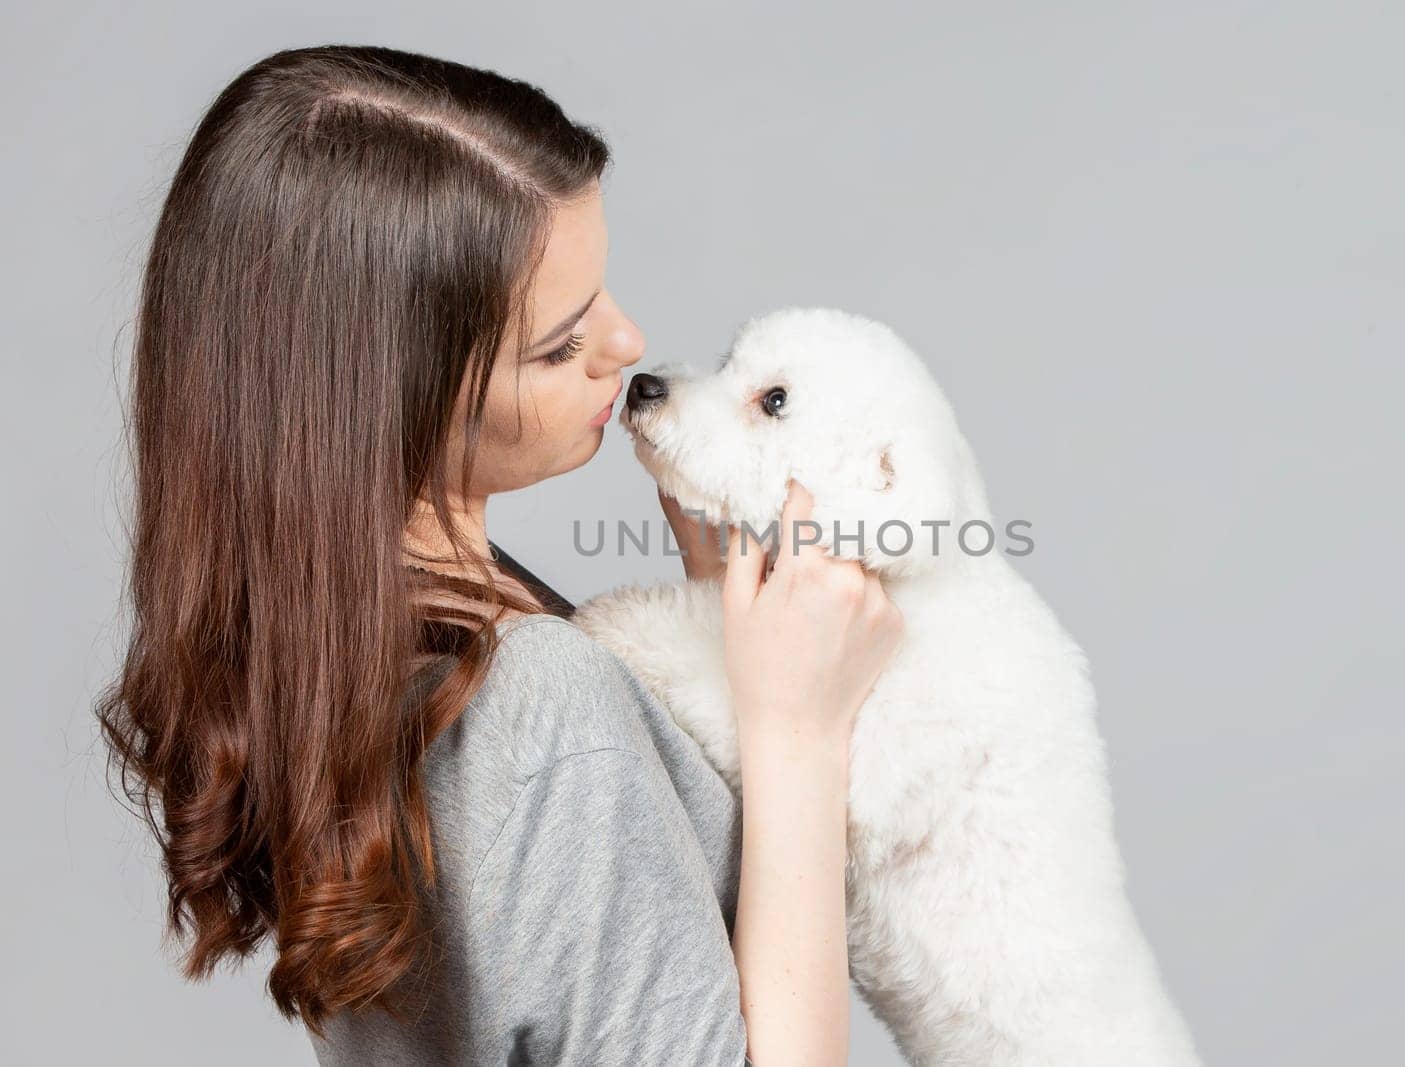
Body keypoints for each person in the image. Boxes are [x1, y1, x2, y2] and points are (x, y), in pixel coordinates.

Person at [94, 44, 902, 1066]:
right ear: (387, 394)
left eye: (600, 291)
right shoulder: (535, 694)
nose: (625, 340)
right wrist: (798, 733)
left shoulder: (353, 645)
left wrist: (721, 646)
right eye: (558, 344)